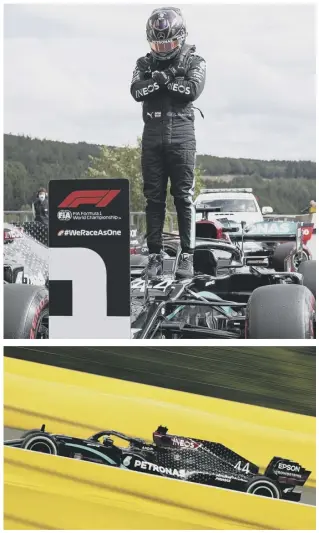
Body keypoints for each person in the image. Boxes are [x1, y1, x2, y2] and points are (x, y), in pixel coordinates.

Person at [130, 6, 206, 278]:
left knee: (183, 197)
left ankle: (187, 255)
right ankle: (154, 256)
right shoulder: (143, 63)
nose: (163, 48)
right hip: (152, 137)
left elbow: (192, 91)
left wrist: (163, 80)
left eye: (168, 43)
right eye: (158, 43)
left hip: (182, 137)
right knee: (153, 199)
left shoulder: (195, 61)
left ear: (181, 37)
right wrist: (166, 79)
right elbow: (136, 92)